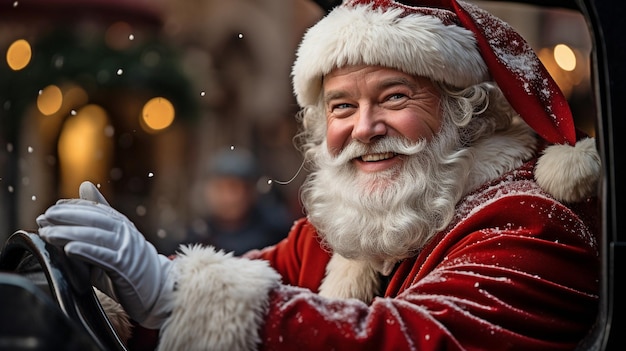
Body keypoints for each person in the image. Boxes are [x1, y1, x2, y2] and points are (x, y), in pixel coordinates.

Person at [36, 0, 601, 349]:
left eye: (395, 96)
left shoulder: (531, 224)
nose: (364, 128)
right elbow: (265, 275)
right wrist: (126, 298)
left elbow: (412, 341)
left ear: (462, 111)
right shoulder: (351, 229)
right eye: (341, 107)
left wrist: (176, 298)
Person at [185, 147, 292, 256]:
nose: (226, 198)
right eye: (219, 188)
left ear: (251, 191)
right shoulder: (196, 236)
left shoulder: (275, 235)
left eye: (233, 188)